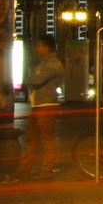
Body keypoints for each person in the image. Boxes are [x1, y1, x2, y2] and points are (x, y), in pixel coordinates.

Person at [14, 35, 64, 181]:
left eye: (40, 45)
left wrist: (27, 80)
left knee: (47, 138)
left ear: (48, 47)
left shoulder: (53, 64)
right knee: (31, 138)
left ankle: (47, 170)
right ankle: (24, 169)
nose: (37, 48)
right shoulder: (42, 63)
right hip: (38, 104)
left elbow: (38, 80)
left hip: (47, 104)